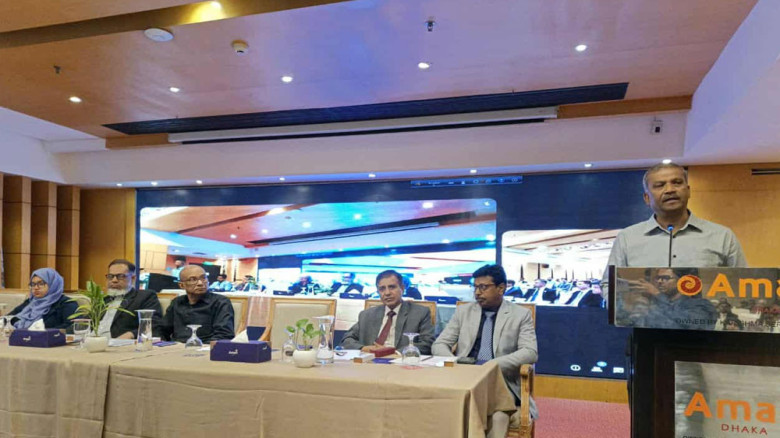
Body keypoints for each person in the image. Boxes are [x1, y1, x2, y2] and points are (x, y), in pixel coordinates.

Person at [605, 162, 748, 296]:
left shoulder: (722, 236)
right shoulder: (627, 238)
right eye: (659, 185)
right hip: (644, 314)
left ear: (688, 191)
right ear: (647, 198)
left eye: (677, 183)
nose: (670, 190)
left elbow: (744, 283)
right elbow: (608, 284)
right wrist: (624, 305)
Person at [432, 264, 538, 436]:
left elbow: (530, 352)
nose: (477, 293)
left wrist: (491, 366)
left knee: (499, 416)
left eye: (483, 287)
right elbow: (439, 344)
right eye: (475, 287)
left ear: (501, 288)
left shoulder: (520, 315)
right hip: (463, 378)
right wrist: (455, 362)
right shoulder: (463, 312)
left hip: (500, 382)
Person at [340, 270, 434, 354]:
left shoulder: (420, 313)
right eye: (382, 289)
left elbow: (426, 344)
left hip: (401, 362)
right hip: (369, 362)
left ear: (402, 288)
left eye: (392, 287)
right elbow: (347, 340)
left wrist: (392, 352)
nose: (387, 293)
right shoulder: (367, 315)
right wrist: (364, 348)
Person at [160, 265, 235, 343]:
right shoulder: (177, 302)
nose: (200, 283)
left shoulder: (220, 302)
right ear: (181, 285)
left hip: (205, 347)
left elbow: (224, 335)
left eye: (203, 278)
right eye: (193, 279)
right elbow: (163, 330)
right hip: (176, 346)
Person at [625, 268, 717, 330]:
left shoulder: (700, 304)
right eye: (658, 278)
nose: (659, 281)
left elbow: (691, 324)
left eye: (666, 278)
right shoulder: (655, 305)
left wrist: (657, 294)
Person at [97, 259, 164, 339]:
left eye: (120, 276)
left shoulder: (145, 297)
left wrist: (131, 334)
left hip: (118, 342)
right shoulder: (103, 300)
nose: (114, 280)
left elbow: (153, 325)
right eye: (110, 276)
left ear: (133, 278)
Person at [9, 268, 77, 330]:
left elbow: (73, 326)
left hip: (51, 339)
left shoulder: (67, 303)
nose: (36, 288)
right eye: (33, 284)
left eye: (41, 283)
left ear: (53, 284)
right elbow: (8, 318)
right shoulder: (31, 302)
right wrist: (20, 325)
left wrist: (42, 332)